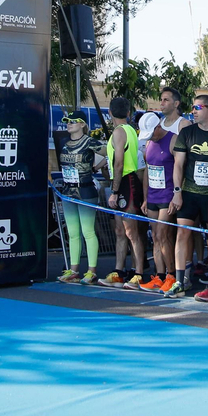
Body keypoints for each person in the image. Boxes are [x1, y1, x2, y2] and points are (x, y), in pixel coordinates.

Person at [169, 94, 208, 298]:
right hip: (189, 192)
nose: (194, 111)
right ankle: (180, 280)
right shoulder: (187, 132)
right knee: (182, 233)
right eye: (192, 107)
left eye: (198, 107)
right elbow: (178, 164)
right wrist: (177, 192)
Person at [140, 87, 186, 293]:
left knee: (163, 234)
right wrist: (145, 198)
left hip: (167, 195)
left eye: (152, 133)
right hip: (152, 195)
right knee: (155, 236)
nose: (151, 137)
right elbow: (147, 171)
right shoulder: (150, 143)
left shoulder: (173, 138)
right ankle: (159, 276)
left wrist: (177, 192)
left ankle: (171, 275)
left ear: (158, 127)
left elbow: (180, 168)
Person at [102, 96, 147, 288]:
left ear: (110, 113)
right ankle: (118, 272)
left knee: (131, 232)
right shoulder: (127, 130)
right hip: (123, 182)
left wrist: (114, 191)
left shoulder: (121, 131)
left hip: (126, 182)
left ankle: (138, 274)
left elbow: (119, 163)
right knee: (120, 231)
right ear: (128, 113)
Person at [54, 112, 102, 284]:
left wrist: (97, 167)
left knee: (88, 231)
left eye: (73, 121)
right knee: (73, 233)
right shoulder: (63, 142)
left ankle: (91, 271)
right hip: (68, 191)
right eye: (67, 121)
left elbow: (110, 153)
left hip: (85, 190)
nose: (69, 124)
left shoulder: (89, 142)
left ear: (82, 124)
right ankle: (73, 270)